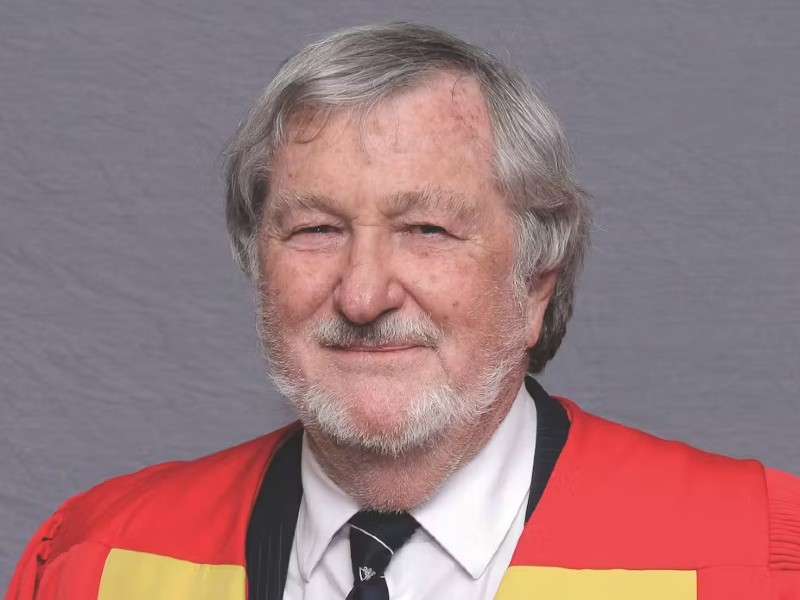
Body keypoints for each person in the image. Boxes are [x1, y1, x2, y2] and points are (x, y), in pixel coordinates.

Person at [5, 21, 799, 600]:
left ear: (536, 285)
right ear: (257, 266)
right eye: (316, 230)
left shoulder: (745, 558)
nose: (363, 295)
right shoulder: (100, 563)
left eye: (427, 230)